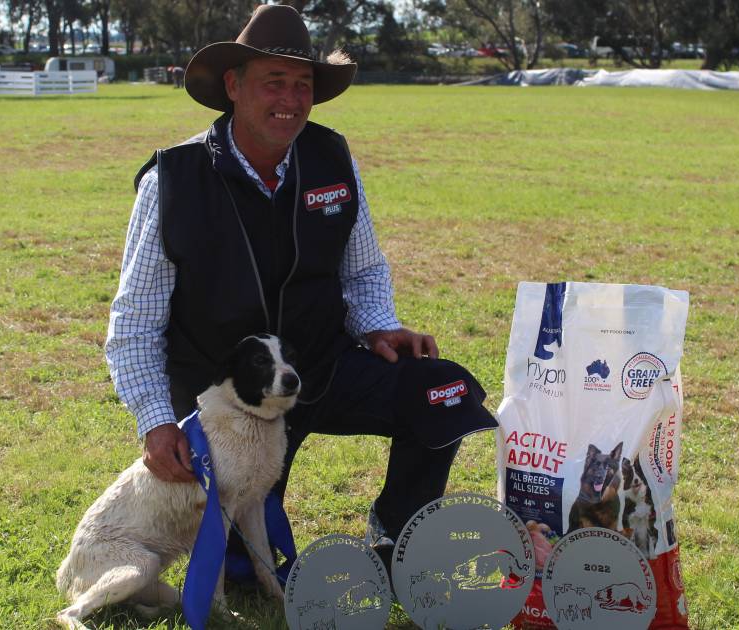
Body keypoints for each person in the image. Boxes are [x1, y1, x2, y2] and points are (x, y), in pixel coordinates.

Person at [104, 4, 496, 572]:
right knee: (238, 572)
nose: (290, 100)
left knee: (444, 392)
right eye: (274, 82)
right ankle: (242, 554)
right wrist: (156, 420)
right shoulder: (174, 180)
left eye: (302, 84)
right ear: (234, 86)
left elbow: (361, 272)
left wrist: (379, 325)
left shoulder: (331, 157)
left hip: (321, 368)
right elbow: (135, 324)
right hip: (229, 405)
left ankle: (396, 548)